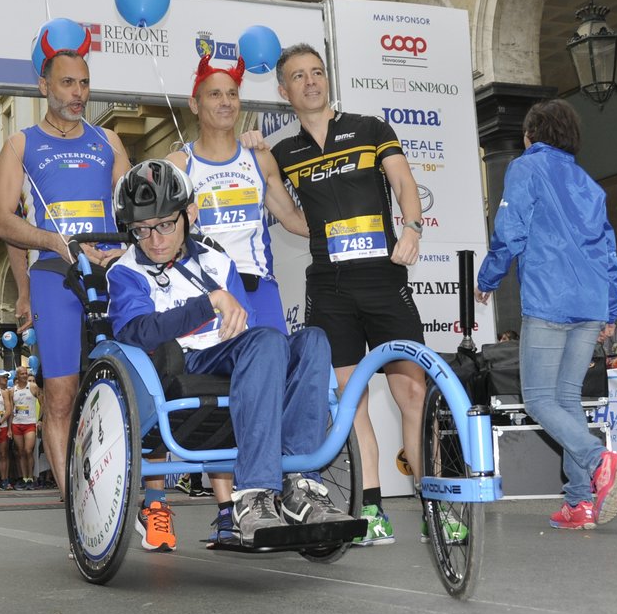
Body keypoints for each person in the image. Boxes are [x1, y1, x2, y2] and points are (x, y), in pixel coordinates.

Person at [106, 159, 356, 545]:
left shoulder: (217, 261)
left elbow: (246, 324)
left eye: (165, 225)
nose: (154, 240)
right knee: (268, 341)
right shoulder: (126, 272)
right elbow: (139, 331)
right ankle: (253, 495)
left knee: (314, 341)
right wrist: (208, 303)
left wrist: (224, 306)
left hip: (231, 354)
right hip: (178, 364)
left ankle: (301, 484)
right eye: (141, 230)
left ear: (189, 214)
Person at [265, 44, 426, 546]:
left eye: (317, 73)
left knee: (413, 394)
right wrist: (309, 228)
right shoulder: (283, 153)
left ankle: (433, 505)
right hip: (330, 290)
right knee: (351, 403)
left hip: (383, 280)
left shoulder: (371, 128)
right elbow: (284, 209)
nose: (311, 82)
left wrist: (413, 227)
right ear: (283, 90)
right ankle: (372, 509)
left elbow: (403, 181)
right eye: (299, 76)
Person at [475, 100, 617, 530]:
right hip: (588, 306)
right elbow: (607, 249)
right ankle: (579, 501)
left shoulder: (527, 167)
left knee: (540, 399)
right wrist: (611, 308)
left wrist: (487, 278)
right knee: (566, 400)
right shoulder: (588, 183)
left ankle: (599, 460)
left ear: (531, 135)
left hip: (549, 299)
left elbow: (510, 229)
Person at [0, 44, 131, 512]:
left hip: (112, 273)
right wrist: (52, 245)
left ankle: (128, 490)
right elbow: (1, 221)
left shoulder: (108, 139)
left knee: (132, 381)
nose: (77, 93)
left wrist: (124, 247)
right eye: (67, 83)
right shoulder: (21, 144)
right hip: (56, 272)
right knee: (61, 392)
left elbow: (134, 205)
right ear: (44, 86)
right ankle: (77, 506)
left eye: (84, 83)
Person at [168, 53, 308, 331]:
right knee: (214, 373)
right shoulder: (179, 164)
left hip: (257, 286)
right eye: (215, 94)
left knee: (273, 367)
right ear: (194, 104)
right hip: (203, 289)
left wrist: (341, 231)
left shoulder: (259, 158)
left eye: (232, 94)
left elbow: (292, 218)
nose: (226, 102)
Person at [9, 370, 40, 490]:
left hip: (30, 423)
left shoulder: (33, 387)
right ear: (17, 376)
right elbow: (11, 410)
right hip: (17, 423)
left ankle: (31, 478)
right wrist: (9, 429)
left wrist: (41, 419)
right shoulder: (12, 391)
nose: (24, 375)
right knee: (20, 452)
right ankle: (24, 478)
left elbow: (42, 403)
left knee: (28, 450)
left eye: (26, 373)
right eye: (22, 374)